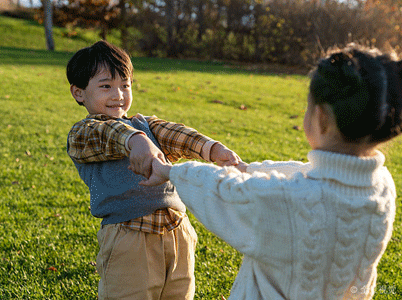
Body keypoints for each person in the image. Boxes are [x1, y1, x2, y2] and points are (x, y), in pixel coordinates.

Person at [135, 44, 402, 299]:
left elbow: (226, 192)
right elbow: (306, 176)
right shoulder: (382, 187)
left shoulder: (285, 203)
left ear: (320, 118)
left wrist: (170, 172)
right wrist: (247, 169)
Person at [66, 40, 240, 300]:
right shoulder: (83, 134)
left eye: (125, 85)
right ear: (79, 93)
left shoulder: (144, 125)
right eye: (106, 86)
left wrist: (212, 149)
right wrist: (136, 141)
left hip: (178, 232)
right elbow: (109, 132)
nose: (118, 95)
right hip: (129, 239)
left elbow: (176, 133)